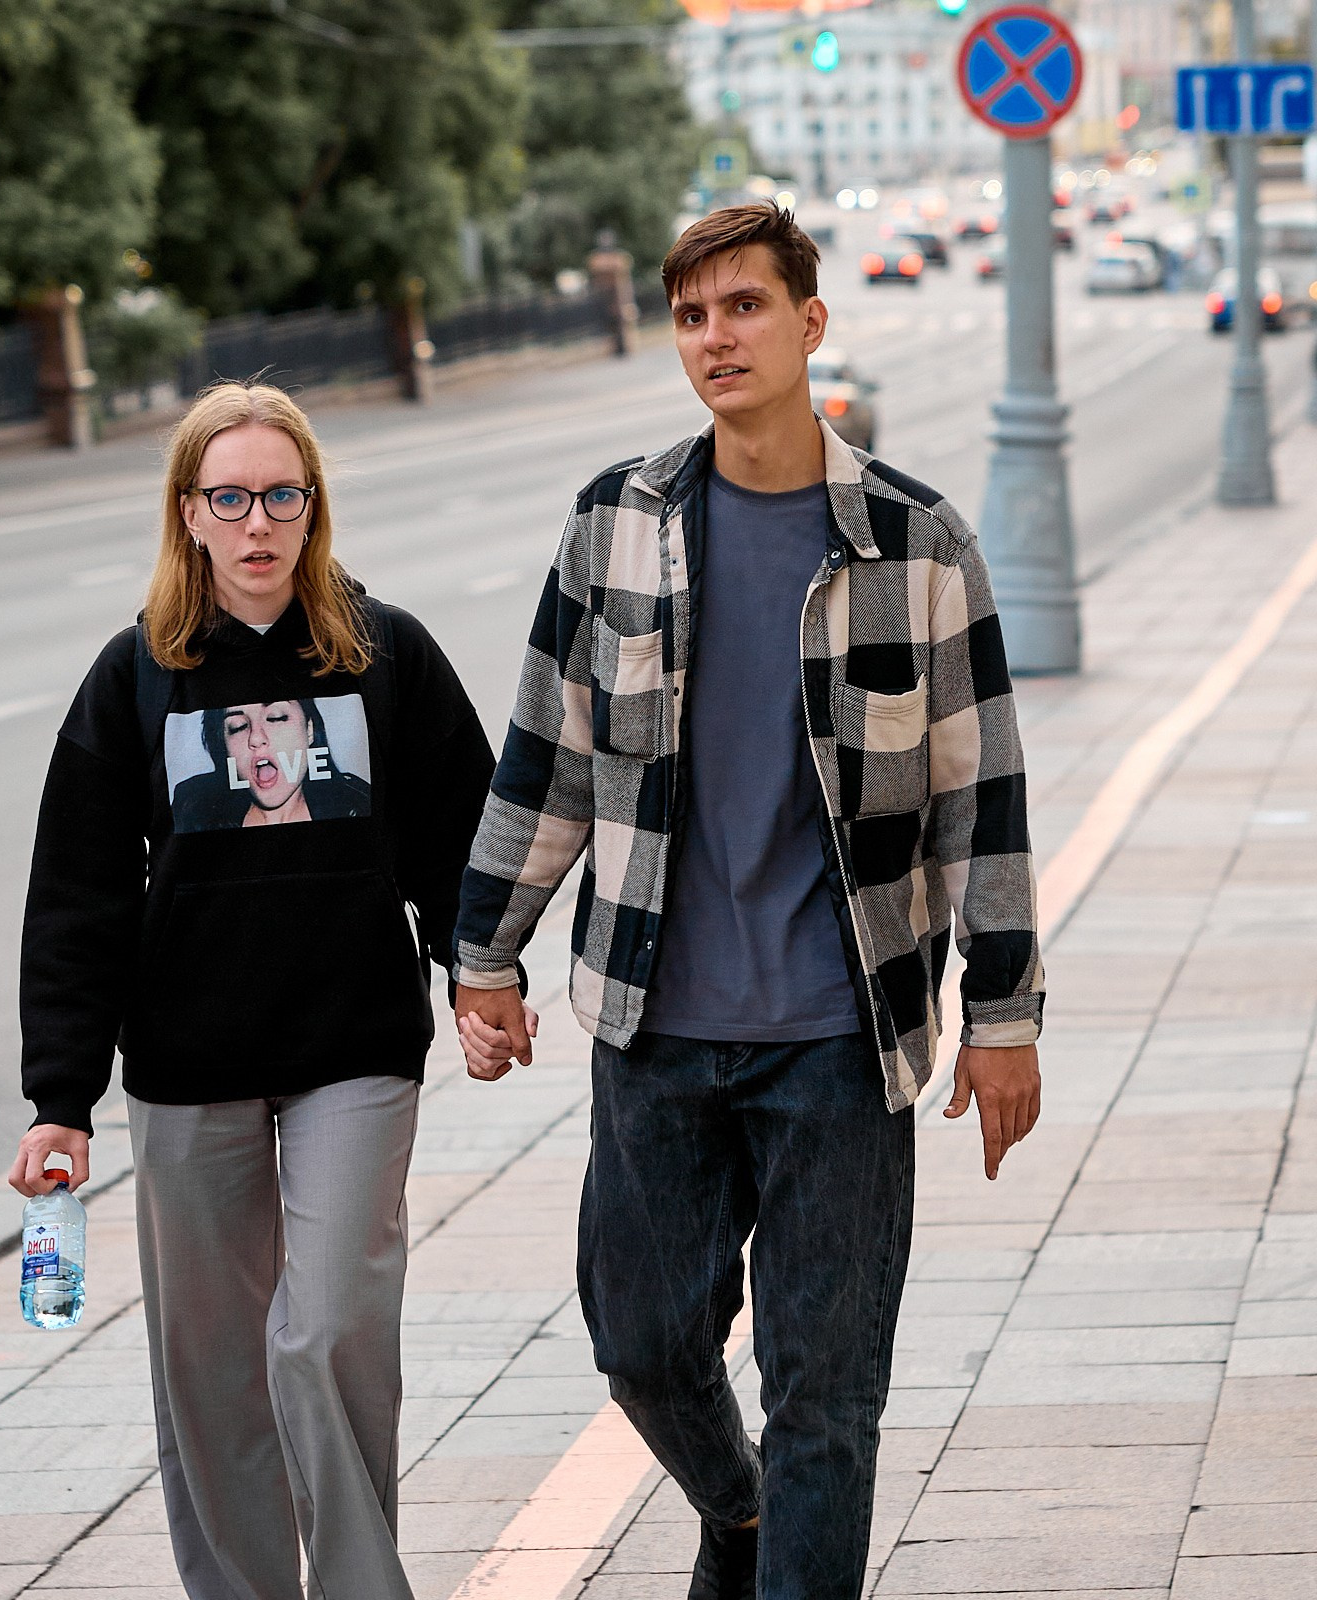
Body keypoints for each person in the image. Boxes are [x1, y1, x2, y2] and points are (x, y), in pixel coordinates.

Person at [449, 202, 1044, 1600]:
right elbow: (548, 753)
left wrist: (1003, 1014)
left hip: (843, 1034)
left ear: (808, 324)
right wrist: (487, 953)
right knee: (644, 1347)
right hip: (655, 1022)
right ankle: (743, 1513)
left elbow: (982, 793)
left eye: (745, 308)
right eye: (694, 315)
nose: (718, 337)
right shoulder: (620, 525)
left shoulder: (915, 541)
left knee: (827, 1401)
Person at [10, 381, 497, 1600]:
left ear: (313, 504)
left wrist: (480, 969)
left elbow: (462, 833)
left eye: (282, 493)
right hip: (186, 1066)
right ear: (189, 514)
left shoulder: (385, 653)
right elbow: (78, 893)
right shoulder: (135, 675)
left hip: (354, 1049)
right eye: (230, 497)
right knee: (215, 1369)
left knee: (328, 1330)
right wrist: (58, 1099)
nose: (258, 521)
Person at [169, 698, 372, 829]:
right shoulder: (192, 810)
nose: (256, 738)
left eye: (276, 718)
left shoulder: (357, 804)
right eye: (237, 727)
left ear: (309, 729)